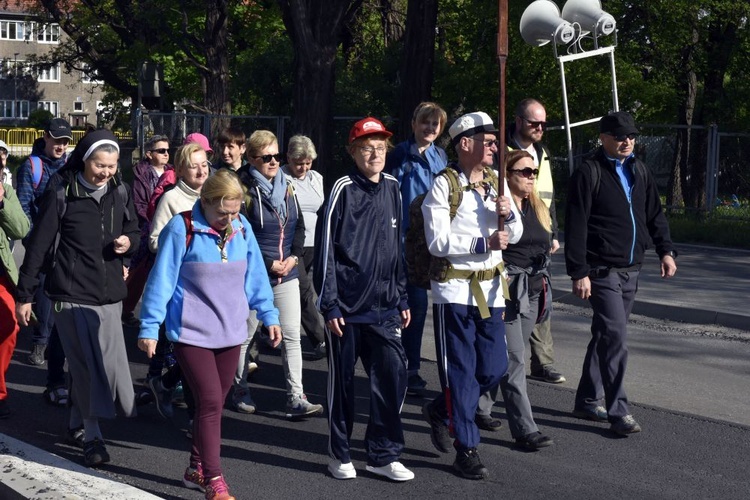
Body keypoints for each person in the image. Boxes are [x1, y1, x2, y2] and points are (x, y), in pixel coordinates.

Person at [138, 169, 281, 500]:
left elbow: (256, 276)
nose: (228, 219)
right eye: (222, 212)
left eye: (234, 211)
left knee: (212, 405)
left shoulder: (241, 229)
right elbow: (161, 282)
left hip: (231, 332)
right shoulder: (182, 228)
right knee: (211, 401)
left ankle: (195, 468)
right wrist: (149, 327)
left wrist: (269, 314)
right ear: (205, 201)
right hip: (190, 334)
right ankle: (214, 481)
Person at [15, 129, 139, 467]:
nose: (106, 172)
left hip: (110, 294)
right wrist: (24, 296)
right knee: (87, 366)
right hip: (70, 295)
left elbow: (135, 230)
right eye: (100, 165)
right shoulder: (61, 193)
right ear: (84, 160)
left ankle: (75, 422)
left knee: (109, 367)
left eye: (112, 165)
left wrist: (128, 243)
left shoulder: (119, 191)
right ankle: (92, 434)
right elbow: (38, 247)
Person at [420, 111, 522, 480]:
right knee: (461, 374)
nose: (497, 145)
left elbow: (518, 232)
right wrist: (483, 241)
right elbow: (437, 242)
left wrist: (509, 217)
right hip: (455, 290)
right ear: (465, 143)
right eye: (489, 139)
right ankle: (467, 447)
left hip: (492, 291)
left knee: (493, 367)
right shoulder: (443, 185)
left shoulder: (497, 183)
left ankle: (441, 409)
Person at [565, 111, 677, 435]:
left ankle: (587, 400)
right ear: (603, 138)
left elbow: (654, 214)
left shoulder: (639, 170)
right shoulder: (589, 172)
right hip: (601, 271)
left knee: (605, 334)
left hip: (631, 270)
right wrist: (578, 272)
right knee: (616, 337)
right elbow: (576, 226)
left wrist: (666, 250)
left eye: (631, 136)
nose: (627, 141)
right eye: (619, 136)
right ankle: (618, 412)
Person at [315, 117, 414, 482]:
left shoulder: (393, 188)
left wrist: (401, 296)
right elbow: (325, 251)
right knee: (342, 385)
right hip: (346, 308)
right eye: (367, 147)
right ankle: (340, 453)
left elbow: (397, 250)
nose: (375, 153)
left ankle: (383, 454)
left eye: (381, 146)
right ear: (353, 151)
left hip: (385, 308)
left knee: (392, 376)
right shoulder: (342, 188)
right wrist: (330, 304)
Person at [237, 130, 323, 419]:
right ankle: (239, 390)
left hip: (287, 272)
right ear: (251, 158)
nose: (274, 162)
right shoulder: (241, 187)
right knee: (245, 336)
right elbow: (237, 232)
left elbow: (299, 227)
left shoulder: (286, 186)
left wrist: (293, 257)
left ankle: (295, 396)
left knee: (291, 336)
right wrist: (266, 262)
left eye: (276, 156)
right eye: (267, 157)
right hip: (252, 274)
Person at [475, 150, 554, 449]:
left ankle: (477, 407)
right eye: (524, 172)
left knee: (500, 359)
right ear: (508, 175)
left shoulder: (538, 207)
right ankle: (525, 430)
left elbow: (546, 239)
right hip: (506, 290)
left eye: (533, 172)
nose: (531, 177)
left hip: (532, 290)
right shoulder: (500, 208)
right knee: (515, 359)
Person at [143, 143, 210, 420]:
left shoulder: (214, 195)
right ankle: (165, 385)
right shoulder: (171, 198)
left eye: (204, 164)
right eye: (194, 165)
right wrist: (187, 241)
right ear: (180, 170)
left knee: (199, 346)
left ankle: (164, 384)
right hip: (180, 285)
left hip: (208, 286)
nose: (201, 170)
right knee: (181, 345)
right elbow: (154, 241)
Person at [387, 101, 448, 396]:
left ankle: (409, 366)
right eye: (425, 122)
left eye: (435, 124)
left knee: (420, 307)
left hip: (430, 244)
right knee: (409, 305)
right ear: (413, 123)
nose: (430, 128)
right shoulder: (398, 155)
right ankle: (404, 368)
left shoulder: (441, 156)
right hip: (402, 242)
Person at [15, 118, 72, 406]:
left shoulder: (71, 167)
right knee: (41, 292)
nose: (61, 146)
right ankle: (39, 344)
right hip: (40, 242)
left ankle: (48, 344)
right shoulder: (32, 167)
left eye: (65, 141)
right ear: (45, 138)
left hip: (66, 244)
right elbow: (24, 206)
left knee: (54, 296)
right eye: (56, 140)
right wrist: (33, 242)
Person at [508, 98, 565, 385]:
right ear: (518, 121)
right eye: (534, 123)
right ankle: (508, 360)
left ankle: (543, 362)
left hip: (540, 233)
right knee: (516, 304)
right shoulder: (503, 150)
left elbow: (548, 195)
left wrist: (552, 231)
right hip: (514, 238)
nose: (540, 128)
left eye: (544, 123)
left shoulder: (543, 153)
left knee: (541, 301)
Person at [282, 135, 327, 359]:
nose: (304, 167)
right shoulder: (280, 176)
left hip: (316, 242)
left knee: (304, 289)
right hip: (292, 244)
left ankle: (265, 328)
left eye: (308, 162)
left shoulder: (316, 178)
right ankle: (319, 339)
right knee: (303, 290)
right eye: (299, 162)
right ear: (289, 158)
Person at [122, 135, 174, 326]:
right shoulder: (140, 175)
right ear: (149, 154)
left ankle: (158, 317)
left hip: (168, 228)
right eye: (161, 150)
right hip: (146, 229)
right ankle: (126, 309)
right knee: (138, 273)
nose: (166, 154)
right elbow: (139, 204)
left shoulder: (173, 173)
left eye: (168, 150)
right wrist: (154, 222)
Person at [0, 179, 30, 418]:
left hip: (1, 277)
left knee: (9, 328)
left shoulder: (6, 191)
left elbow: (21, 229)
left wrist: (1, 202)